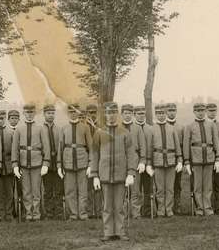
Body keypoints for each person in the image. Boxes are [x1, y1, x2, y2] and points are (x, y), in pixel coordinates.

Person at [89, 102, 137, 241]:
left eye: (113, 113)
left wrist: (130, 173)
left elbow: (130, 154)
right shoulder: (99, 133)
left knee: (119, 206)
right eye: (109, 113)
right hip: (104, 175)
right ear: (105, 114)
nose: (111, 116)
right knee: (107, 206)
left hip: (121, 175)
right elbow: (94, 154)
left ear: (117, 114)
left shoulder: (125, 133)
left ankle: (120, 232)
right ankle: (108, 232)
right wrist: (95, 175)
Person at [183, 102, 219, 216]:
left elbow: (216, 142)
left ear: (205, 111)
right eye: (198, 111)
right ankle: (199, 208)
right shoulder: (189, 126)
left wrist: (218, 158)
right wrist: (187, 161)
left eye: (202, 110)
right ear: (194, 112)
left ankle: (208, 208)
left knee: (208, 186)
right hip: (196, 159)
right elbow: (186, 145)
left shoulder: (211, 125)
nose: (200, 113)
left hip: (209, 158)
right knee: (197, 186)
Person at [12, 104, 49, 221]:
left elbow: (46, 147)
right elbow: (15, 148)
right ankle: (28, 214)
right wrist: (15, 165)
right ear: (23, 113)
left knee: (36, 191)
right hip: (23, 164)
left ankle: (36, 214)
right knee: (26, 190)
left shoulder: (40, 128)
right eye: (27, 112)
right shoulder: (19, 129)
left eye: (31, 112)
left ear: (35, 113)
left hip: (37, 164)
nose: (29, 114)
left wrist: (45, 163)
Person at [57, 103, 92, 220]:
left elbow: (91, 147)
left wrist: (91, 164)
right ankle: (73, 214)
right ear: (68, 113)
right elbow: (60, 148)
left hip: (82, 161)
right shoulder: (63, 128)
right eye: (70, 112)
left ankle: (83, 214)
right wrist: (59, 166)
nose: (73, 114)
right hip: (68, 162)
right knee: (70, 190)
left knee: (83, 190)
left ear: (78, 112)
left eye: (75, 111)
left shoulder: (85, 127)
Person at [147, 103, 182, 217]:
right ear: (156, 114)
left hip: (171, 162)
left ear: (166, 114)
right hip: (158, 162)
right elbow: (150, 148)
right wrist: (148, 164)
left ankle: (169, 209)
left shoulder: (172, 129)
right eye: (158, 113)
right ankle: (161, 210)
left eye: (162, 113)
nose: (161, 116)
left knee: (170, 188)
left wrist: (180, 160)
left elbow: (177, 146)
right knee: (160, 189)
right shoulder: (152, 129)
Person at [42, 103, 63, 219]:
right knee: (48, 190)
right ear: (44, 114)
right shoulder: (40, 129)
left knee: (59, 190)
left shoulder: (59, 129)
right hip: (46, 164)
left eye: (52, 113)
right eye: (48, 113)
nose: (50, 115)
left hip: (57, 163)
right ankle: (49, 213)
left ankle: (59, 212)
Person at [132, 105, 153, 217]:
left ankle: (148, 210)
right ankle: (136, 211)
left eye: (143, 114)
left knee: (148, 188)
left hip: (149, 162)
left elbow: (152, 146)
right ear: (135, 115)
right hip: (136, 162)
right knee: (136, 188)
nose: (141, 116)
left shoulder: (150, 128)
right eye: (138, 114)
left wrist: (149, 163)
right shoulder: (132, 128)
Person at [0, 109, 16, 221]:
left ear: (5, 119)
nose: (0, 121)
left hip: (8, 166)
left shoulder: (11, 132)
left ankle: (9, 213)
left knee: (9, 191)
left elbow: (14, 150)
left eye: (2, 118)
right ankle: (0, 214)